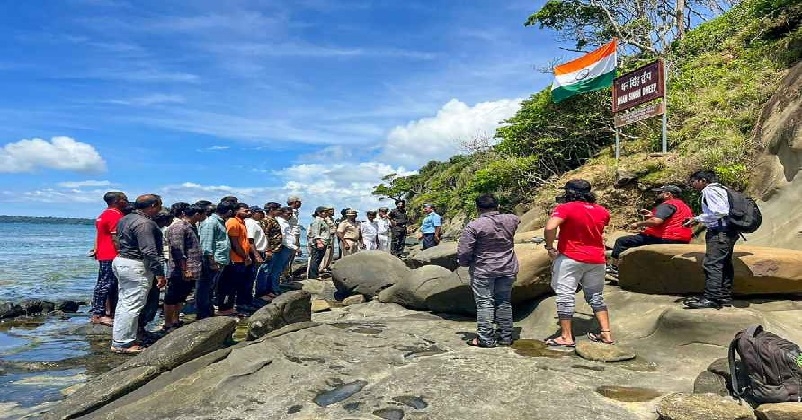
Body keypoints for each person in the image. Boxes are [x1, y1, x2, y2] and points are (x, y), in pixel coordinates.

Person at [543, 180, 613, 348]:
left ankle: (566, 337)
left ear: (569, 193)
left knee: (565, 295)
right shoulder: (602, 211)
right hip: (597, 259)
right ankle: (606, 334)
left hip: (571, 257)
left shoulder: (566, 208)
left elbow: (550, 227)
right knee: (595, 296)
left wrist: (549, 246)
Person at [457, 194, 520, 348]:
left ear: (478, 208)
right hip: (507, 267)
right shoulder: (511, 219)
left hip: (483, 269)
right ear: (497, 206)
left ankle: (485, 338)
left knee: (485, 303)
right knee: (504, 302)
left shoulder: (474, 226)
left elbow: (464, 251)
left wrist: (463, 263)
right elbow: (518, 220)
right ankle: (506, 336)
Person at [110, 194, 166, 354]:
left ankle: (122, 338)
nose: (160, 209)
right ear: (153, 205)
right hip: (136, 264)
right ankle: (123, 343)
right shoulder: (144, 223)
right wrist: (160, 273)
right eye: (160, 205)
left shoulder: (125, 219)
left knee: (125, 302)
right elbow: (149, 250)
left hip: (122, 261)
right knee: (132, 304)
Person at [608, 185, 694, 276]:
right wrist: (652, 215)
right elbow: (672, 220)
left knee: (622, 241)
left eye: (660, 192)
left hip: (664, 238)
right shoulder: (685, 206)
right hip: (682, 239)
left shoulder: (668, 204)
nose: (657, 194)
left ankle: (615, 269)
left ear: (668, 194)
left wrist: (638, 224)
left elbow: (657, 221)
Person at [682, 170, 738, 309]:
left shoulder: (710, 190)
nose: (693, 185)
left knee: (712, 265)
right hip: (729, 232)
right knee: (724, 265)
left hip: (719, 233)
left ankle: (711, 298)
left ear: (702, 180)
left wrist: (697, 218)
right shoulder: (723, 189)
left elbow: (720, 212)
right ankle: (724, 297)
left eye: (693, 181)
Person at [163, 203, 205, 331]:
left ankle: (176, 320)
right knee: (172, 296)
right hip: (179, 269)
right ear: (197, 214)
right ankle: (168, 323)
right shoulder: (179, 227)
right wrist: (184, 269)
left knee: (182, 295)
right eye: (203, 214)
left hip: (191, 269)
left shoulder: (191, 226)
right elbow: (178, 251)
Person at [90, 191, 128, 327]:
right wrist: (121, 252)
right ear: (118, 200)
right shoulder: (114, 215)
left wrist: (96, 249)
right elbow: (115, 236)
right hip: (111, 254)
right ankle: (99, 314)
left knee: (110, 284)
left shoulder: (103, 214)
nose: (127, 201)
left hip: (104, 253)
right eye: (125, 199)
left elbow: (99, 235)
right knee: (105, 283)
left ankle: (108, 312)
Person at [198, 201, 233, 319]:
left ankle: (209, 310)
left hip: (220, 260)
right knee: (205, 287)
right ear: (229, 212)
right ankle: (203, 313)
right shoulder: (210, 222)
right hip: (213, 261)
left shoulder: (219, 222)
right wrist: (212, 261)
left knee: (211, 287)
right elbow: (206, 245)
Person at [217, 203, 253, 316]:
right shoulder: (233, 222)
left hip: (240, 259)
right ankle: (224, 308)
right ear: (236, 210)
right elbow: (234, 243)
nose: (249, 213)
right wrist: (245, 256)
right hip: (235, 260)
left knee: (236, 285)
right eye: (245, 211)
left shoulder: (241, 223)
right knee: (229, 285)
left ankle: (231, 306)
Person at [254, 202, 283, 301]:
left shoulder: (273, 220)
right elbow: (265, 235)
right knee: (265, 271)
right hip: (271, 249)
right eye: (278, 209)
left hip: (276, 249)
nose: (280, 211)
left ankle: (268, 290)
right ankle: (260, 293)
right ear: (271, 209)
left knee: (270, 271)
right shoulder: (267, 220)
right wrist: (268, 249)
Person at [267, 207, 298, 291]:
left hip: (288, 248)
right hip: (285, 248)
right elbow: (283, 238)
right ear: (282, 213)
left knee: (280, 268)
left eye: (291, 214)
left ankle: (275, 287)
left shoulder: (285, 222)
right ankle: (274, 288)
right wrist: (294, 247)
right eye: (288, 213)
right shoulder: (281, 222)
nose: (290, 215)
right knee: (277, 269)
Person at [308, 206, 332, 280]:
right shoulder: (317, 220)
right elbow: (315, 232)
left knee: (318, 259)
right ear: (319, 213)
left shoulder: (323, 220)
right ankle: (313, 276)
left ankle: (314, 275)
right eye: (325, 212)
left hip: (324, 242)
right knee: (315, 259)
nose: (326, 213)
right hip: (319, 242)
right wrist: (318, 242)